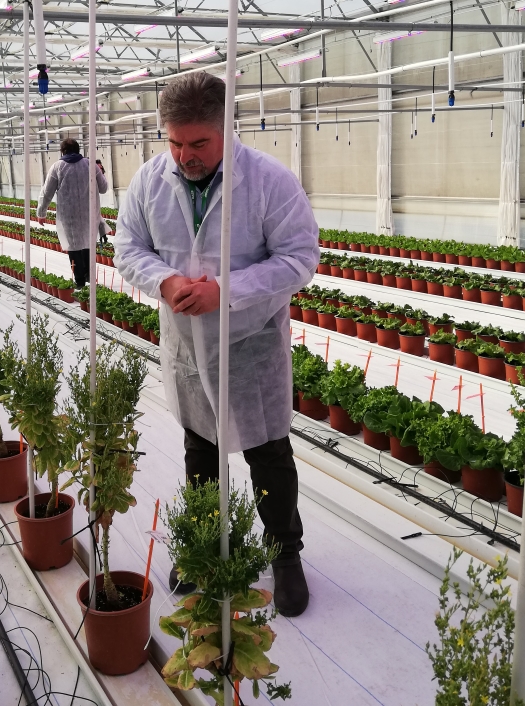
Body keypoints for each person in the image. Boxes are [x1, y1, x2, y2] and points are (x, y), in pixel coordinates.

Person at [113, 72, 320, 617]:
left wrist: (225, 292)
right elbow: (128, 246)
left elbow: (300, 259)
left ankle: (286, 557)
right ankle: (203, 549)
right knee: (199, 451)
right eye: (174, 142)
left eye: (198, 143)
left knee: (269, 455)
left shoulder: (270, 181)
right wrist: (167, 281)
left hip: (250, 346)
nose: (184, 155)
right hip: (186, 346)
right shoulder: (149, 181)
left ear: (226, 129)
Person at [37, 138, 108, 288]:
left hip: (69, 217)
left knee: (74, 247)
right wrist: (101, 171)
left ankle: (80, 282)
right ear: (78, 150)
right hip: (90, 215)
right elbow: (103, 188)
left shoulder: (57, 167)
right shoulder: (91, 165)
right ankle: (90, 277)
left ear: (62, 151)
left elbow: (46, 193)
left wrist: (41, 212)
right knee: (88, 244)